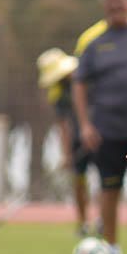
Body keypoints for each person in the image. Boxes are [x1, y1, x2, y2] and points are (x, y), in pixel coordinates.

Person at [72, 0, 127, 254]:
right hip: (107, 131)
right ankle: (111, 250)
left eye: (121, 1)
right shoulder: (91, 40)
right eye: (111, 3)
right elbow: (78, 84)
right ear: (104, 5)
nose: (116, 7)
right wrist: (85, 125)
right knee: (108, 190)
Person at [36, 47, 94, 236]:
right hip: (78, 139)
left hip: (99, 133)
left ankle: (101, 220)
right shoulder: (58, 93)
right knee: (78, 180)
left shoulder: (88, 79)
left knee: (105, 179)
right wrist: (67, 153)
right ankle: (83, 223)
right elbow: (64, 124)